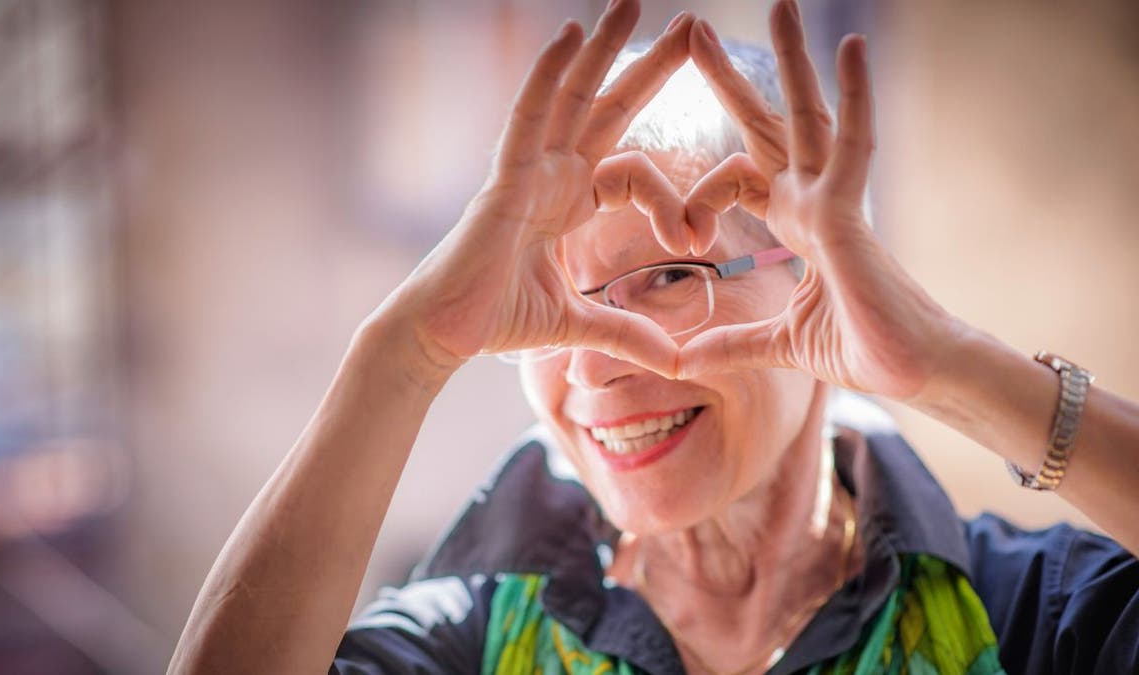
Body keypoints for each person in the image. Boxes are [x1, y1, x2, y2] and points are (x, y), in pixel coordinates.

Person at [167, 0, 1139, 673]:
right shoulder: (471, 640)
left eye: (669, 274)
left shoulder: (1022, 618)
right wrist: (404, 354)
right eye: (547, 301)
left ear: (820, 278)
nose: (591, 364)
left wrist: (951, 368)